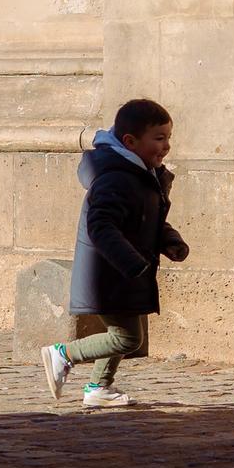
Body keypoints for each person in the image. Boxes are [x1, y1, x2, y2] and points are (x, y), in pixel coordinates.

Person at [40, 98, 189, 407]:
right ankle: (63, 354)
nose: (166, 146)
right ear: (130, 141)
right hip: (109, 271)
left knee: (124, 331)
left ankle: (98, 388)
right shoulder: (117, 178)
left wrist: (170, 240)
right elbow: (101, 225)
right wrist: (130, 263)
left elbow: (148, 221)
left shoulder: (142, 174)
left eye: (168, 138)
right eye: (159, 138)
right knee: (127, 338)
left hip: (126, 269)